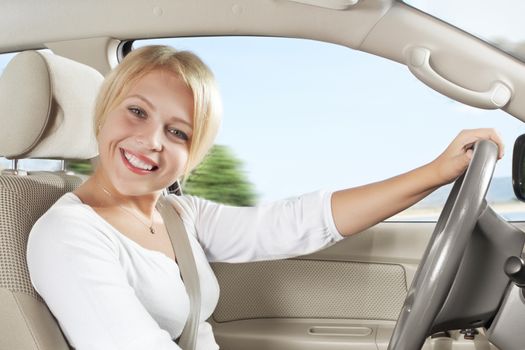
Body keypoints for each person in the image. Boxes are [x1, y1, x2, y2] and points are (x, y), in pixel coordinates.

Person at [26, 45, 504, 350]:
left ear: (193, 155)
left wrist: (437, 172)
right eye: (136, 112)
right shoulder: (69, 234)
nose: (152, 141)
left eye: (177, 132)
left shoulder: (176, 212)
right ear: (104, 112)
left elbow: (290, 224)